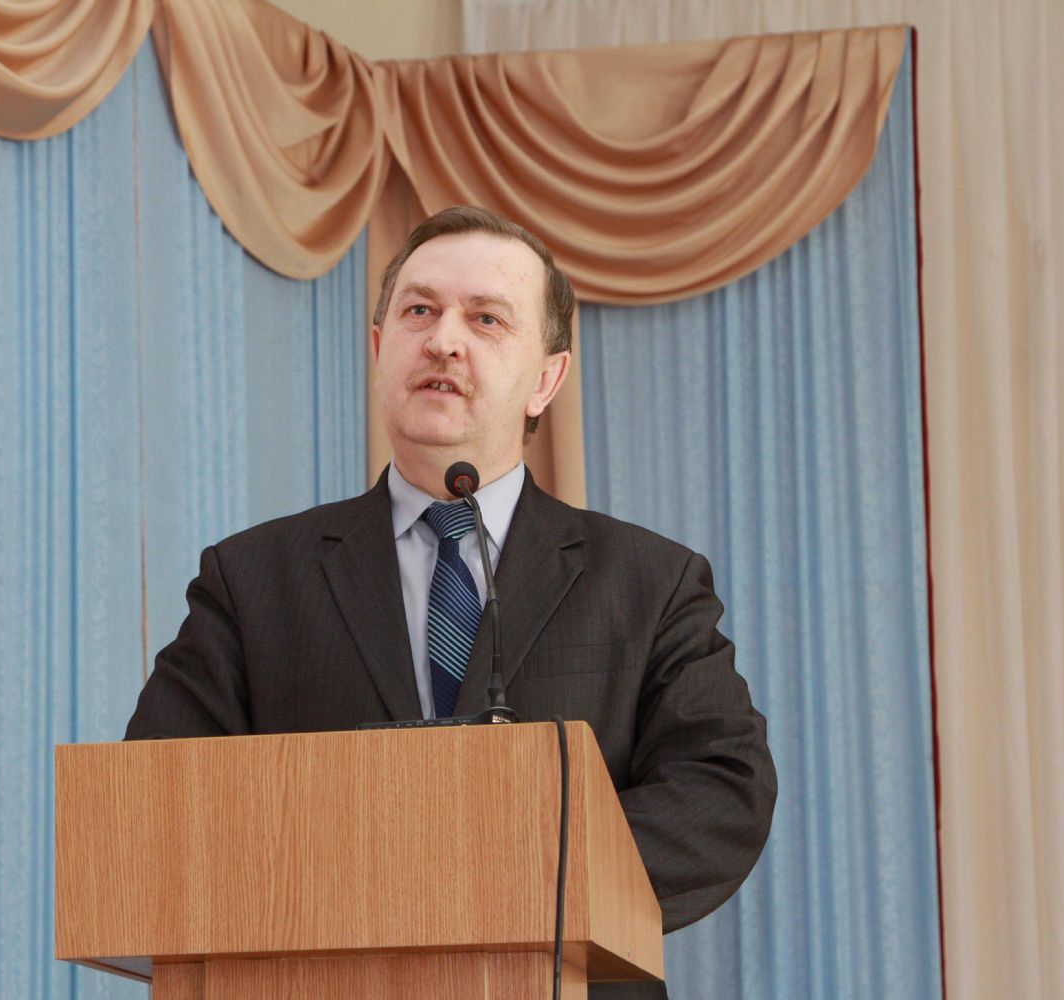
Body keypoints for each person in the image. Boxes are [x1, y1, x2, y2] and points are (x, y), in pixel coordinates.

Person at [125, 206, 776, 999]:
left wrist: (507, 872)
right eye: (420, 310)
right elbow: (155, 809)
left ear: (546, 379)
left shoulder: (648, 581)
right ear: (379, 349)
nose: (443, 341)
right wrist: (362, 876)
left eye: (487, 319)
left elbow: (720, 790)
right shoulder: (252, 578)